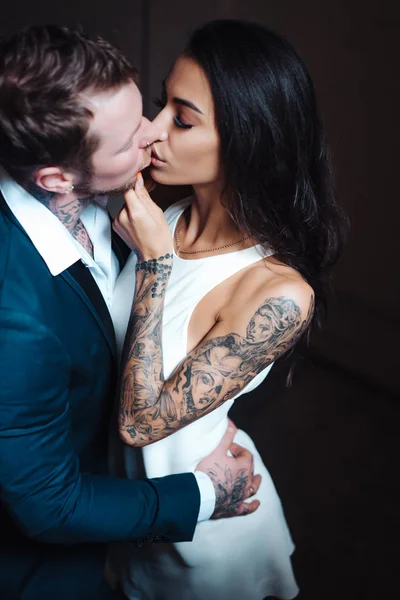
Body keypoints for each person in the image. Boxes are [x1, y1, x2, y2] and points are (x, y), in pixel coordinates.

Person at [0, 25, 261, 600]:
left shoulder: (123, 198)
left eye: (146, 110)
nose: (152, 135)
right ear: (55, 179)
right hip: (53, 565)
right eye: (126, 142)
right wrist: (203, 495)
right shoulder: (14, 320)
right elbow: (49, 505)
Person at [109, 19, 348, 600]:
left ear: (249, 140)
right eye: (163, 104)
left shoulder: (278, 291)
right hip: (123, 514)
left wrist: (157, 267)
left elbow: (140, 424)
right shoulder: (161, 216)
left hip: (204, 545)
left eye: (182, 119)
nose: (154, 129)